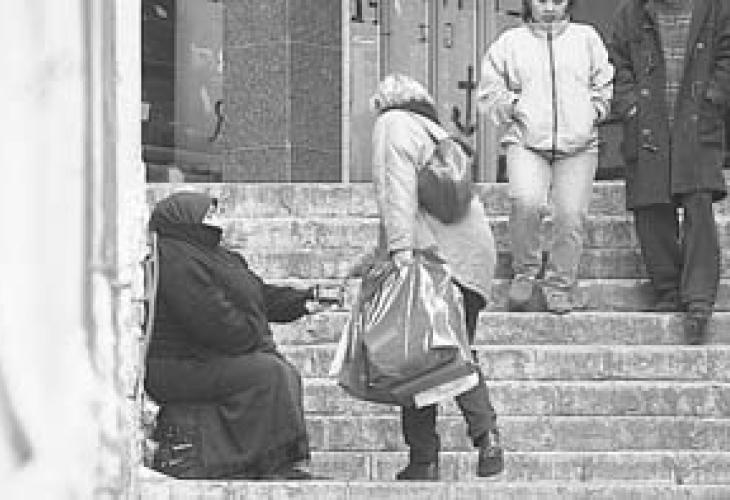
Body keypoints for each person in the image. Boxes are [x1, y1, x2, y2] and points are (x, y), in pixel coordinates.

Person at [370, 73, 504, 480]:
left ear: (382, 102)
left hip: (434, 259)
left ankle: (427, 458)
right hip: (471, 259)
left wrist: (399, 255)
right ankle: (480, 438)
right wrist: (373, 257)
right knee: (447, 352)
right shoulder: (433, 131)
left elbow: (397, 194)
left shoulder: (392, 124)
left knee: (418, 357)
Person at [144, 191, 327, 479]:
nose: (216, 220)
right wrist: (255, 339)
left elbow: (258, 295)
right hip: (176, 364)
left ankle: (273, 463)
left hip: (208, 355)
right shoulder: (175, 258)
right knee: (269, 373)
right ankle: (267, 464)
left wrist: (304, 301)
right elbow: (209, 319)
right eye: (208, 215)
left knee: (277, 371)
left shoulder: (220, 256)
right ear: (185, 217)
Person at [476, 0, 614, 313]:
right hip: (526, 141)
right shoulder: (510, 43)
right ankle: (525, 273)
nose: (550, 7)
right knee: (526, 202)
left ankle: (560, 284)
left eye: (558, 0)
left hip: (579, 144)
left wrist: (593, 112)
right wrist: (515, 107)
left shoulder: (587, 38)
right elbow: (489, 89)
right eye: (541, 0)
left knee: (570, 214)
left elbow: (604, 82)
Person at [608, 0, 730, 344]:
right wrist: (631, 107)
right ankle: (667, 288)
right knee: (650, 207)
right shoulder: (629, 13)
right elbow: (617, 66)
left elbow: (726, 58)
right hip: (648, 123)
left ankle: (699, 300)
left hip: (697, 121)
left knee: (698, 205)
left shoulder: (717, 9)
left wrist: (714, 97)